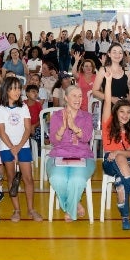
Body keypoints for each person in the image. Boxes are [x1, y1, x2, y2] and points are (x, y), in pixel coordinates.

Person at [100, 69, 130, 230]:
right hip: (108, 163)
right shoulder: (108, 126)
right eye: (121, 111)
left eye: (128, 112)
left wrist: (117, 152)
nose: (125, 115)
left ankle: (125, 218)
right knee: (119, 159)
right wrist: (109, 82)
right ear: (115, 112)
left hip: (125, 163)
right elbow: (107, 100)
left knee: (119, 181)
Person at [46, 84, 95, 222]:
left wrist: (74, 127)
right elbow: (54, 142)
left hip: (83, 156)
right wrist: (62, 128)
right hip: (59, 155)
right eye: (74, 95)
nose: (78, 99)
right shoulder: (56, 115)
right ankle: (74, 204)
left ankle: (70, 211)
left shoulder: (86, 117)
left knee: (77, 180)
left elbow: (86, 138)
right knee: (57, 179)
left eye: (80, 96)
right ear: (66, 98)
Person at [0, 76, 42, 222]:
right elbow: (1, 132)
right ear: (6, 90)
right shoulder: (0, 109)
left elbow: (28, 129)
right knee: (11, 177)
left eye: (18, 88)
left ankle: (31, 209)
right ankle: (16, 210)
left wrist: (18, 147)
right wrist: (11, 148)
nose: (17, 91)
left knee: (28, 178)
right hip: (6, 147)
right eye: (13, 88)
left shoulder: (24, 107)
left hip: (23, 146)